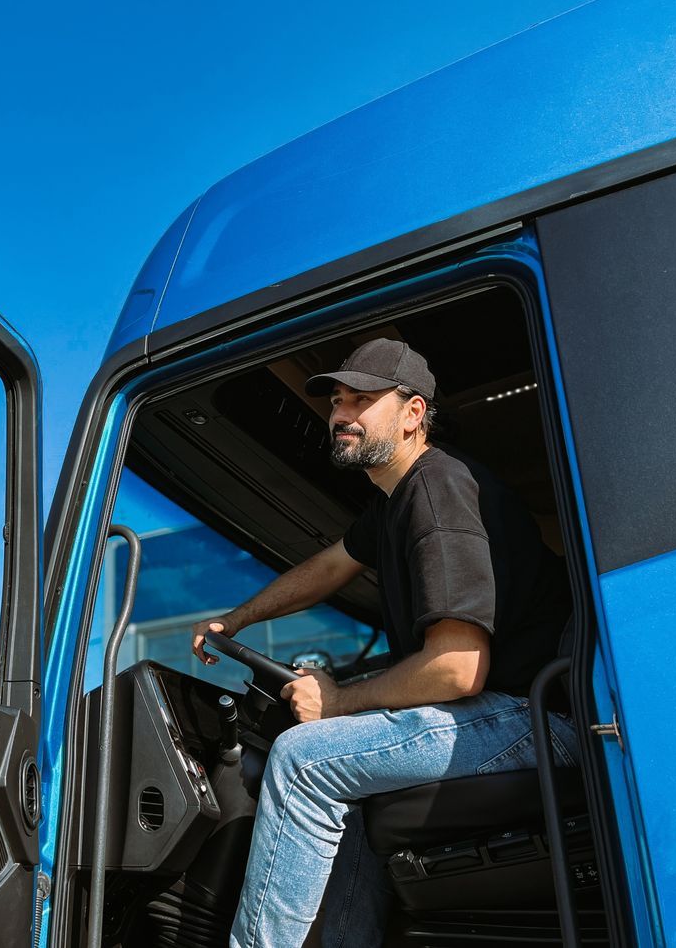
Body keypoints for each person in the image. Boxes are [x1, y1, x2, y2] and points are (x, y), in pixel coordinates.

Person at [190, 338, 574, 947]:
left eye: (361, 400)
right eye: (337, 402)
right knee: (342, 771)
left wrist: (339, 703)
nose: (341, 415)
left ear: (414, 413)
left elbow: (457, 669)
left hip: (537, 717)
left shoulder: (438, 489)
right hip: (508, 712)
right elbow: (329, 567)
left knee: (302, 760)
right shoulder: (393, 502)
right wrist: (236, 620)